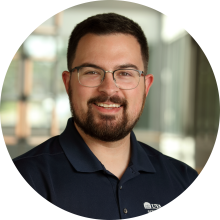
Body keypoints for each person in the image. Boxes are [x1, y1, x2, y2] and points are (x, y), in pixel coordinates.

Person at [13, 13, 198, 219]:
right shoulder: (21, 180)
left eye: (125, 73)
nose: (109, 89)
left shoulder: (186, 183)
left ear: (146, 86)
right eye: (92, 72)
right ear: (68, 83)